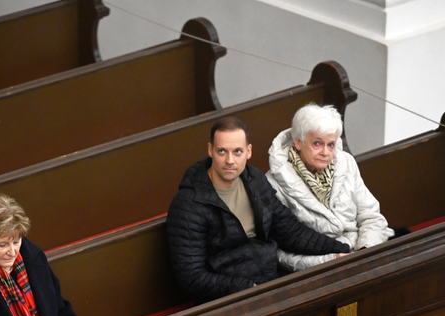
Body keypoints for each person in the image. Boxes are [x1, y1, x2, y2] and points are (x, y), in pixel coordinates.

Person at [166, 117, 351, 303]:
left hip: (269, 282)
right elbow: (191, 278)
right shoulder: (188, 204)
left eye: (237, 152)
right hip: (227, 300)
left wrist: (344, 250)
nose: (230, 160)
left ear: (248, 152)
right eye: (222, 151)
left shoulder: (255, 180)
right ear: (210, 150)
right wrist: (246, 288)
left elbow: (290, 232)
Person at [266, 103, 394, 271]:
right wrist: (331, 260)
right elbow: (282, 253)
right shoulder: (273, 183)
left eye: (331, 144)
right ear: (298, 142)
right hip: (323, 266)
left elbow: (371, 216)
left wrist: (365, 250)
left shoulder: (346, 162)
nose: (325, 152)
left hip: (364, 250)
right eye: (317, 143)